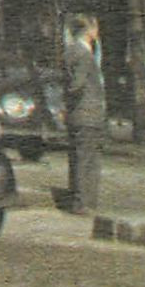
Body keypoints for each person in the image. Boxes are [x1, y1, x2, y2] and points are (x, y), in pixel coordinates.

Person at [61, 13, 106, 215]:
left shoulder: (71, 51)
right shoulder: (83, 54)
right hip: (87, 114)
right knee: (87, 159)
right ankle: (83, 203)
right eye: (95, 28)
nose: (97, 32)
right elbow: (76, 84)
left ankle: (82, 199)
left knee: (80, 158)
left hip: (79, 114)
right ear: (88, 30)